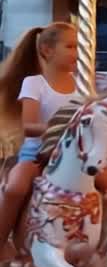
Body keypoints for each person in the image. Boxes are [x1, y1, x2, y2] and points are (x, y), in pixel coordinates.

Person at [0, 23, 78, 248]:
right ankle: (2, 240)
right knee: (17, 186)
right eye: (70, 46)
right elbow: (29, 126)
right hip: (37, 152)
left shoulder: (81, 83)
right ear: (47, 50)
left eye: (78, 46)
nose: (76, 52)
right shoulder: (34, 83)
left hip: (72, 154)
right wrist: (64, 128)